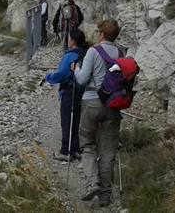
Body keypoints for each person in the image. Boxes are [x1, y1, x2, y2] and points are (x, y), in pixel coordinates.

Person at [71, 19, 123, 208]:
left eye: (97, 32)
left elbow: (82, 79)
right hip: (113, 105)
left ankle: (92, 183)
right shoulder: (121, 53)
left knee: (88, 145)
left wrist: (76, 69)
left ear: (101, 34)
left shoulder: (94, 52)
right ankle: (105, 195)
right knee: (108, 151)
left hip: (92, 102)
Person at [43, 28, 89, 161]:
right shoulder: (85, 54)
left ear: (72, 41)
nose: (67, 41)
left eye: (68, 39)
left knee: (67, 120)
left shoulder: (69, 56)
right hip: (81, 92)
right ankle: (76, 148)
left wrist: (48, 77)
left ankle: (65, 150)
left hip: (69, 92)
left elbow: (61, 74)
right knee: (77, 120)